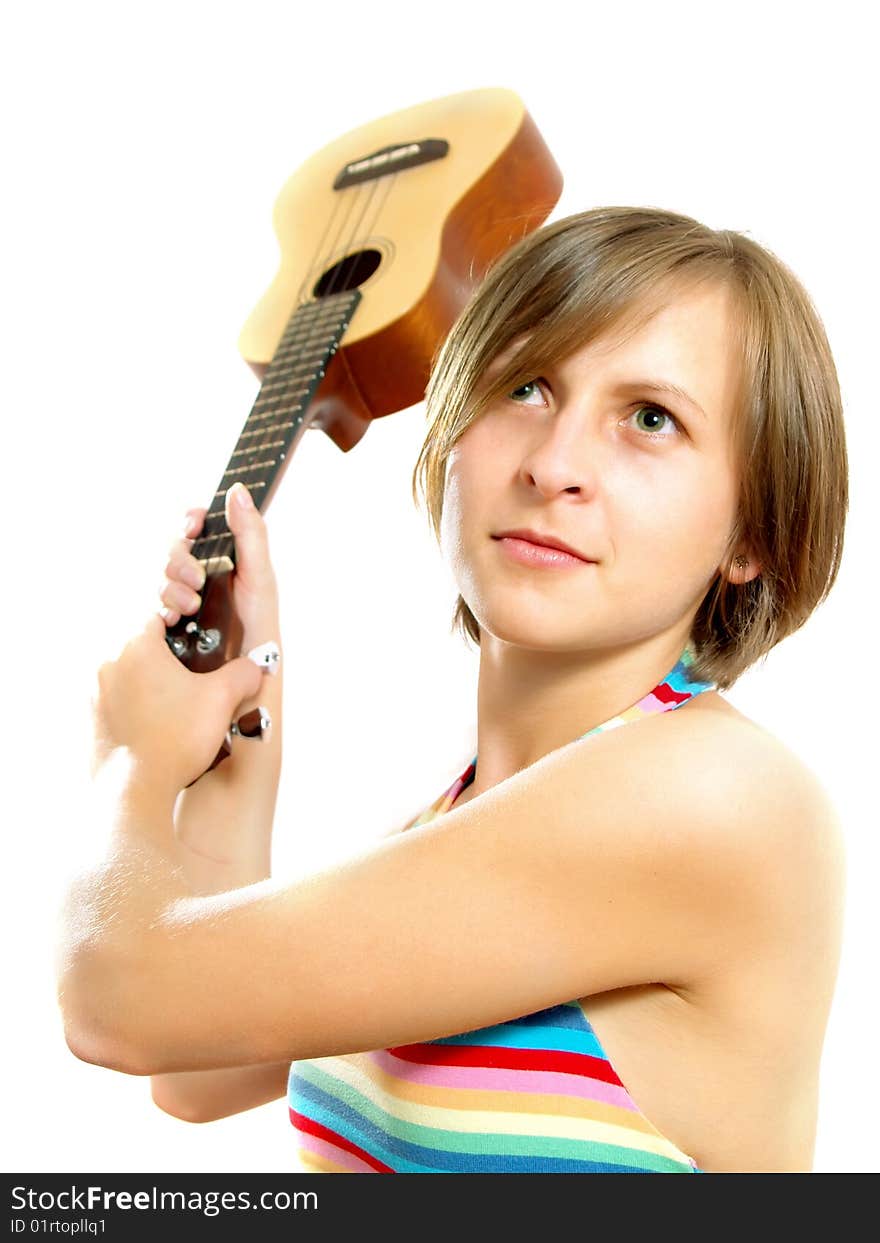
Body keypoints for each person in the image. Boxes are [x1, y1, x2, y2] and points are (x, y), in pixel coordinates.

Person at [57, 206, 848, 1174]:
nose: (552, 465)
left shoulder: (710, 794)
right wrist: (244, 700)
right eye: (524, 386)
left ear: (753, 534)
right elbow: (197, 1071)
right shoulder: (463, 822)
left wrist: (127, 759)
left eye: (651, 419)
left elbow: (121, 1005)